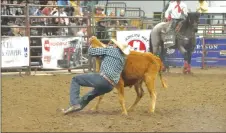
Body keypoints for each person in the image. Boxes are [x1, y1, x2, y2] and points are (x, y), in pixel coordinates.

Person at [61, 37, 131, 114]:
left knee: (75, 79)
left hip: (103, 79)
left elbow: (91, 52)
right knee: (89, 95)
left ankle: (74, 104)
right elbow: (106, 59)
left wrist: (90, 44)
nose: (113, 45)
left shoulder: (111, 50)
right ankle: (74, 107)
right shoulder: (123, 58)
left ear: (116, 46)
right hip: (110, 86)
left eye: (114, 44)